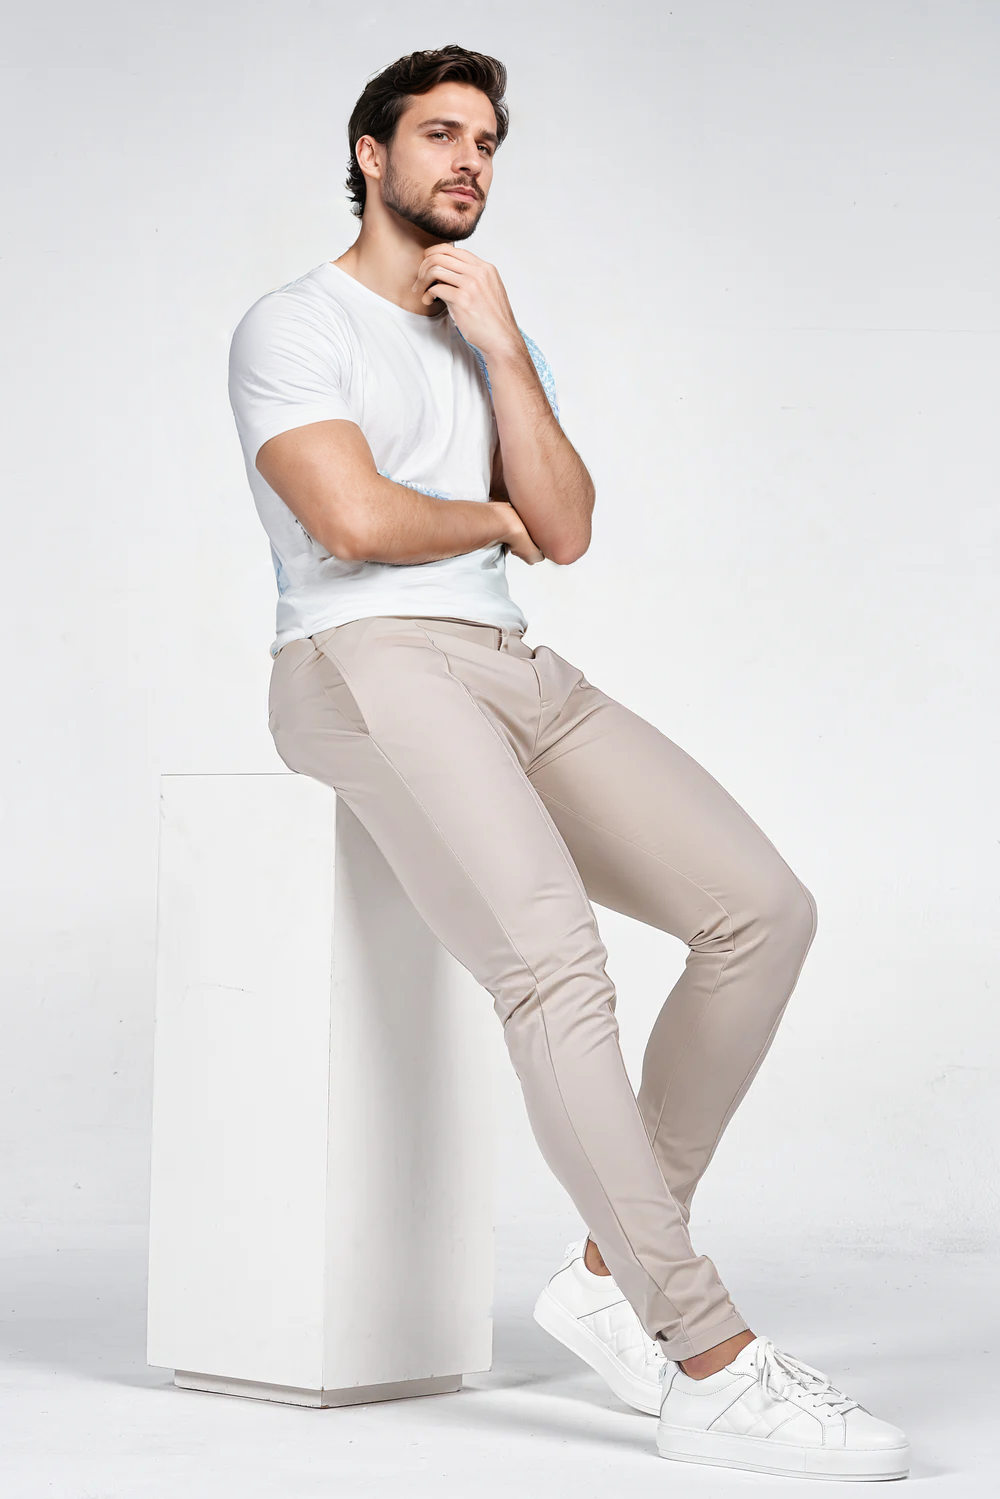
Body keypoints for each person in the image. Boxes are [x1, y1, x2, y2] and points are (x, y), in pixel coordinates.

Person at [228, 44, 909, 1481]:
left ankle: (608, 1273)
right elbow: (352, 521)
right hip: (359, 659)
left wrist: (504, 350)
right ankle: (708, 1360)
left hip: (509, 662)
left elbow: (570, 526)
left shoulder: (480, 332)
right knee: (554, 966)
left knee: (760, 911)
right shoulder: (294, 323)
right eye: (439, 136)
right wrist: (489, 520)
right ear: (370, 154)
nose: (469, 162)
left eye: (486, 142)